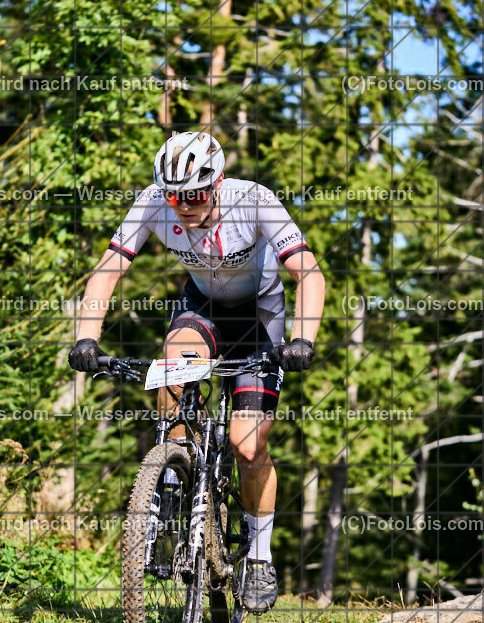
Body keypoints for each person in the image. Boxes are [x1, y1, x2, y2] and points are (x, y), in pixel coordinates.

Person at [68, 131, 325, 613]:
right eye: (174, 195)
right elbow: (108, 269)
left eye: (195, 194)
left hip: (258, 317)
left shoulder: (255, 201)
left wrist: (303, 340)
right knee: (169, 372)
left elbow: (308, 271)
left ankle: (259, 555)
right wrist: (86, 337)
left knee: (248, 446)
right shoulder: (153, 202)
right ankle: (172, 478)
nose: (183, 205)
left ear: (218, 182)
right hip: (202, 306)